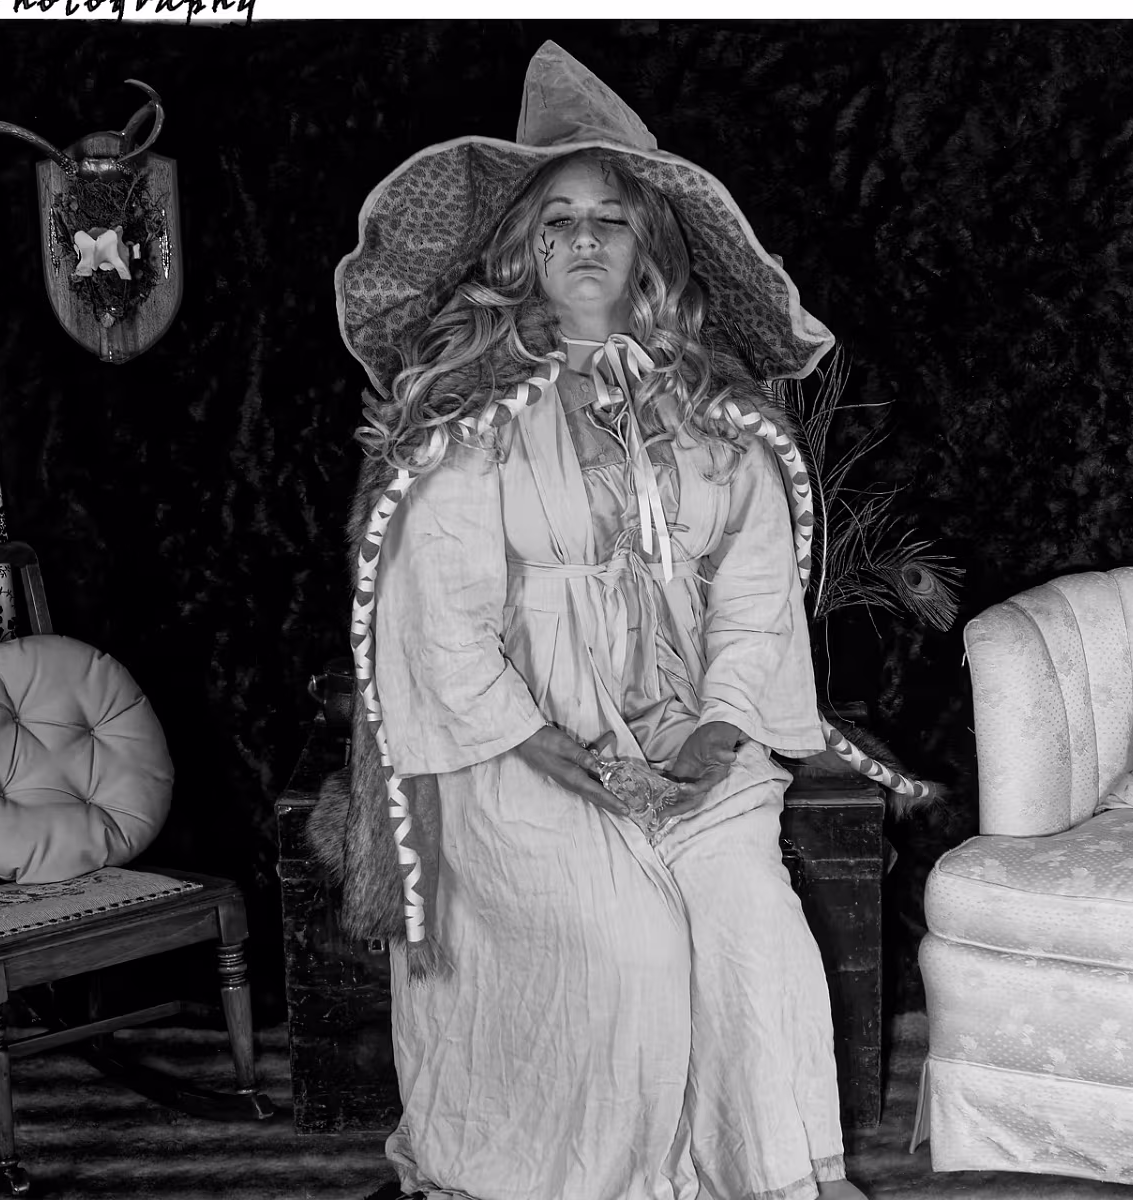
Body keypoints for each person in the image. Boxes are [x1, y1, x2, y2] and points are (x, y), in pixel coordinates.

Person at [332, 42, 864, 1200]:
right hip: (517, 748)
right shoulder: (470, 415)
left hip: (687, 734)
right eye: (558, 219)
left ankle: (761, 1180)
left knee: (756, 937)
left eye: (609, 219)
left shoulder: (713, 410)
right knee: (625, 949)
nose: (584, 240)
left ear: (646, 245)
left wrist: (720, 726)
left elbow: (755, 592)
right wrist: (539, 743)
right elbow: (439, 615)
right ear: (522, 247)